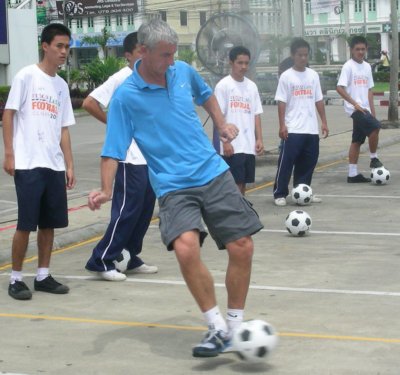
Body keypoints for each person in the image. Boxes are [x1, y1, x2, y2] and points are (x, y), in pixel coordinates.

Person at [88, 19, 263, 357]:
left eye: (174, 54)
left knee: (242, 246)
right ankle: (216, 328)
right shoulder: (126, 97)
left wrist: (223, 122)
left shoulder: (182, 71)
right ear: (143, 51)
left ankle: (236, 326)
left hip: (212, 172)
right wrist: (106, 189)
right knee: (185, 248)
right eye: (165, 55)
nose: (171, 62)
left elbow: (206, 95)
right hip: (171, 184)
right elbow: (113, 149)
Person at [2, 23, 75, 300]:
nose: (64, 52)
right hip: (29, 163)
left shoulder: (61, 86)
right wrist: (10, 153)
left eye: (67, 47)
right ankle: (16, 278)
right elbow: (8, 115)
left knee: (49, 224)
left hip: (53, 164)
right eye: (59, 46)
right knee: (26, 223)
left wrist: (69, 164)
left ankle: (43, 275)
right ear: (45, 46)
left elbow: (63, 128)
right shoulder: (26, 77)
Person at [82, 32, 158, 282]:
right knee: (126, 211)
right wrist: (114, 125)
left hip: (148, 157)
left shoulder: (151, 79)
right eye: (139, 51)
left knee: (145, 211)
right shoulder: (122, 78)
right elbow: (89, 102)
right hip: (127, 158)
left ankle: (131, 255)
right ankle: (101, 259)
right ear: (128, 56)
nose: (144, 56)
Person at [273, 38, 329, 207]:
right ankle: (280, 193)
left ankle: (302, 191)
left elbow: (318, 100)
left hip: (310, 129)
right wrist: (282, 125)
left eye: (305, 55)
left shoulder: (313, 76)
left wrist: (324, 122)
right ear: (293, 55)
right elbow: (281, 102)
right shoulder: (286, 76)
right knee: (286, 163)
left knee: (308, 163)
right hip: (293, 128)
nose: (303, 58)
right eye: (300, 55)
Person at [212, 46, 264, 195]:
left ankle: (240, 213)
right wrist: (225, 142)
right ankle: (235, 214)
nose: (243, 67)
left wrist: (259, 139)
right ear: (231, 63)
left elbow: (256, 114)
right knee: (234, 184)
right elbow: (218, 117)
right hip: (233, 146)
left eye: (246, 63)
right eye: (240, 63)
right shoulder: (223, 86)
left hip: (248, 145)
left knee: (243, 184)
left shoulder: (252, 87)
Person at [336, 36, 384, 183]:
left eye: (363, 49)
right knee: (375, 127)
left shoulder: (367, 66)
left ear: (366, 49)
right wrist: (354, 104)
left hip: (365, 109)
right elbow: (339, 87)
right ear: (352, 50)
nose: (360, 52)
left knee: (357, 140)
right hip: (355, 109)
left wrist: (372, 111)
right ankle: (374, 158)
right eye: (357, 49)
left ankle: (352, 174)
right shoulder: (348, 66)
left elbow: (370, 90)